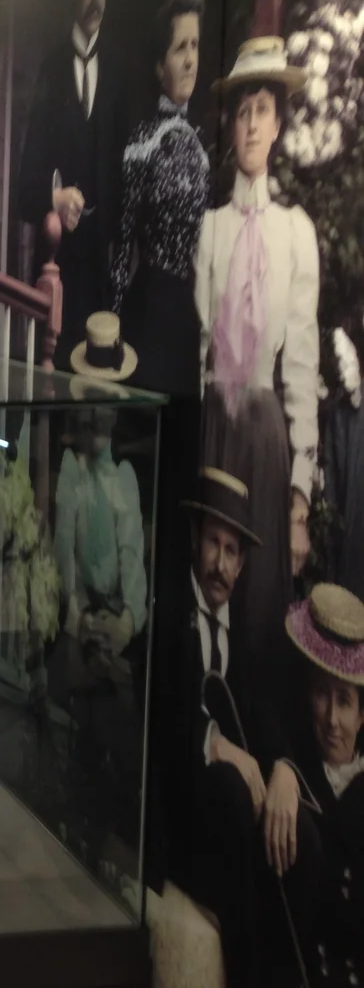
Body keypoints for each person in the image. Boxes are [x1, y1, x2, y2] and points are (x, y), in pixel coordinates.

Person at [166, 466, 317, 988]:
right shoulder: (171, 612)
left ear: (244, 562)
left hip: (230, 824)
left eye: (233, 552)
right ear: (195, 538)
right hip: (180, 816)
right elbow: (162, 712)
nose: (221, 564)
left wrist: (285, 771)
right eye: (214, 544)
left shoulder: (242, 632)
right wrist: (216, 744)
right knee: (233, 790)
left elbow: (265, 715)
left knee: (301, 833)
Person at [195, 37, 319, 670]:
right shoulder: (211, 228)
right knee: (207, 587)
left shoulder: (295, 233)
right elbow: (196, 349)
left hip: (265, 436)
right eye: (242, 111)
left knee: (258, 604)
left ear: (277, 126)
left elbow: (300, 366)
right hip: (215, 426)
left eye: (262, 111)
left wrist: (299, 499)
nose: (249, 125)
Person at [53, 312, 148, 872]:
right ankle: (77, 823)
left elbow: (133, 556)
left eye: (109, 405)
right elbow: (63, 548)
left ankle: (112, 835)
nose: (100, 415)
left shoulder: (125, 479)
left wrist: (127, 620)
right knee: (83, 708)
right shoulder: (72, 470)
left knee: (119, 712)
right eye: (94, 404)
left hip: (113, 618)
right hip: (81, 612)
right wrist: (75, 611)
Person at [16, 0, 129, 370]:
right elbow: (24, 190)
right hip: (55, 276)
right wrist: (55, 196)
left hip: (101, 280)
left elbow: (127, 182)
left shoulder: (120, 72)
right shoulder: (50, 67)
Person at [112, 0, 208, 397]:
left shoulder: (201, 151)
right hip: (148, 312)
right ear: (159, 65)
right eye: (179, 48)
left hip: (188, 317)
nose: (190, 60)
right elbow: (122, 245)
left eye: (195, 46)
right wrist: (111, 333)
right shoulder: (142, 143)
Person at [282, 584, 364, 987]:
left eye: (344, 701)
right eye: (321, 695)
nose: (332, 719)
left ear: (362, 717)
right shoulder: (293, 779)